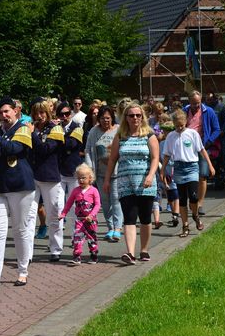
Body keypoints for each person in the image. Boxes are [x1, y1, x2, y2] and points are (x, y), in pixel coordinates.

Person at [0, 97, 35, 288]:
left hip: (19, 186)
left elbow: (14, 149)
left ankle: (22, 271)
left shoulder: (23, 128)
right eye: (0, 113)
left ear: (15, 111)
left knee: (20, 230)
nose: (4, 115)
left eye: (7, 111)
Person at [103, 102, 159, 265]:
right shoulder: (120, 136)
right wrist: (107, 179)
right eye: (131, 115)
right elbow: (112, 159)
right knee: (129, 217)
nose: (135, 118)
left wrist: (150, 175)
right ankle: (130, 253)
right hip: (125, 182)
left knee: (145, 218)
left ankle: (144, 250)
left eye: (138, 115)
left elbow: (155, 158)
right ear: (126, 118)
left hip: (145, 183)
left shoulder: (149, 135)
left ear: (142, 117)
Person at [161, 110, 215, 238]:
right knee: (182, 199)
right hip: (178, 167)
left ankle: (195, 215)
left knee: (194, 196)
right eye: (177, 126)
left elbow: (202, 150)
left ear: (186, 122)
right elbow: (167, 154)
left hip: (192, 167)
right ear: (173, 124)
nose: (180, 128)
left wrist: (210, 165)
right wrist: (162, 169)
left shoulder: (192, 134)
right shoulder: (171, 136)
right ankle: (185, 225)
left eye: (182, 125)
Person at [27, 98, 65, 262]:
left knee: (54, 214)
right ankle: (27, 253)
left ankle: (55, 249)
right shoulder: (29, 128)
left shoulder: (55, 129)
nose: (39, 116)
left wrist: (32, 134)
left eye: (42, 112)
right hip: (31, 177)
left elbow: (45, 149)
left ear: (48, 113)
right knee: (29, 216)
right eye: (36, 112)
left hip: (49, 177)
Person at [84, 105, 122, 242]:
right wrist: (89, 168)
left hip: (117, 173)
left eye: (107, 118)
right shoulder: (94, 131)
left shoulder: (118, 130)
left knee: (116, 199)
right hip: (100, 173)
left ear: (112, 118)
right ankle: (110, 227)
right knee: (105, 202)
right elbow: (88, 149)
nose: (105, 121)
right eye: (102, 118)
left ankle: (118, 228)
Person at [183, 91, 220, 215]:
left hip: (203, 146)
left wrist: (209, 141)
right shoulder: (184, 111)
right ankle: (192, 200)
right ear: (189, 102)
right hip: (187, 148)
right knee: (188, 176)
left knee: (203, 175)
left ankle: (200, 204)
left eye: (198, 103)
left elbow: (217, 129)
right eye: (194, 103)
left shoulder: (208, 111)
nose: (196, 105)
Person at [59, 163, 101, 265]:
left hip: (91, 220)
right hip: (79, 220)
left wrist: (91, 215)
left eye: (83, 178)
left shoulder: (94, 190)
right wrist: (63, 214)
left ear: (90, 178)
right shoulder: (75, 191)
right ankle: (77, 257)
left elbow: (97, 205)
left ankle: (94, 255)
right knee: (77, 238)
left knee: (92, 239)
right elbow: (69, 203)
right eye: (79, 178)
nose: (81, 180)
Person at [57, 102, 84, 241]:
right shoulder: (55, 127)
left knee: (75, 205)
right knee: (58, 205)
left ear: (71, 114)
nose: (64, 117)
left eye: (67, 114)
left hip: (73, 171)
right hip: (58, 171)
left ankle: (76, 235)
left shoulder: (77, 128)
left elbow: (72, 144)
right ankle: (57, 236)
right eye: (61, 114)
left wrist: (58, 137)